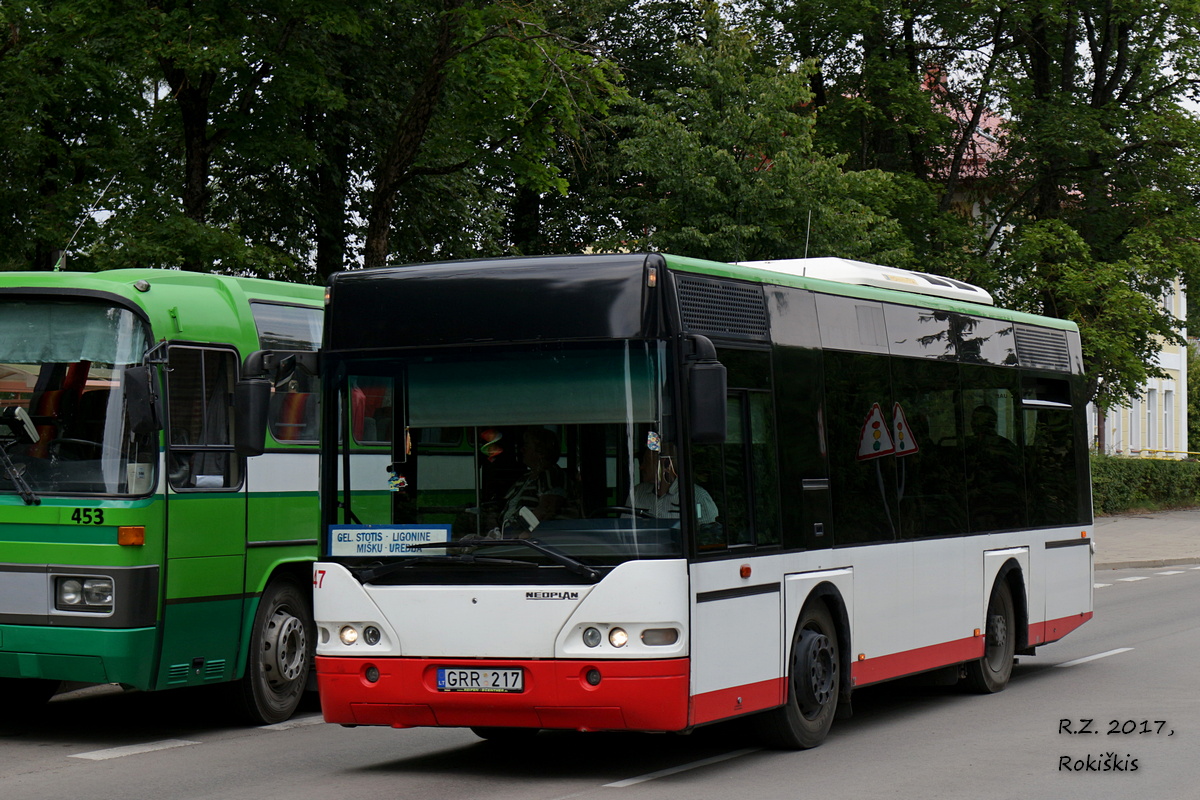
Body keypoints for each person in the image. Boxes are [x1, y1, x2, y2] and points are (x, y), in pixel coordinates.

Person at [490, 427, 568, 536]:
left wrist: (522, 535)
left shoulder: (550, 473)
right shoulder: (525, 478)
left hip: (528, 540)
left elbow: (547, 508)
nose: (522, 450)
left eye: (526, 446)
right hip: (509, 534)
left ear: (541, 452)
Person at [631, 445, 719, 525]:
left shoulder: (697, 497)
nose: (641, 467)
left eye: (647, 462)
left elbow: (708, 535)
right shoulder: (637, 493)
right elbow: (626, 528)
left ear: (666, 465)